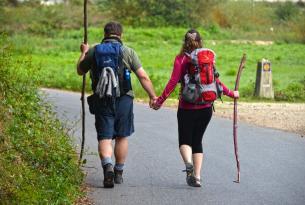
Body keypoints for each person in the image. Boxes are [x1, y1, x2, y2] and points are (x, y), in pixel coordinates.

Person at [152, 29, 239, 187]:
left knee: (185, 140)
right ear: (200, 41)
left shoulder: (181, 59)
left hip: (187, 106)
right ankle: (197, 177)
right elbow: (216, 82)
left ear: (184, 42)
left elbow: (173, 82)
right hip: (206, 107)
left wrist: (160, 101)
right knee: (197, 141)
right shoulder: (207, 58)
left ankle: (188, 164)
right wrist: (232, 93)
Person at [77, 22, 157, 188]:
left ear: (105, 34)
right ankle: (119, 172)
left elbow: (80, 70)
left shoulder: (94, 51)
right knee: (121, 136)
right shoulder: (128, 51)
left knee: (105, 137)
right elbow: (143, 76)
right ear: (120, 34)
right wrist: (152, 96)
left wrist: (83, 53)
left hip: (102, 99)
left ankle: (108, 167)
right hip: (124, 98)